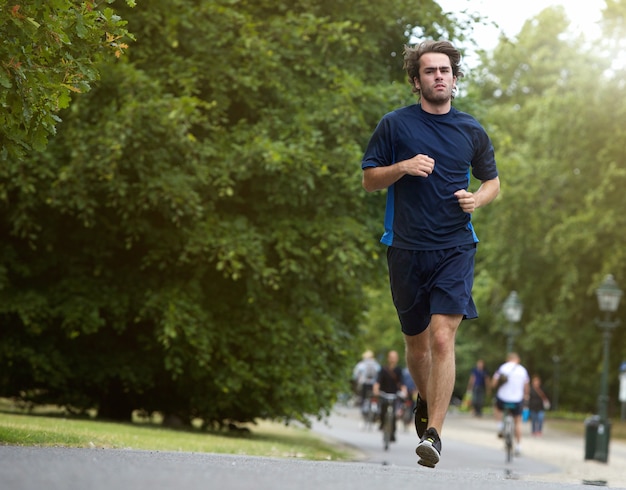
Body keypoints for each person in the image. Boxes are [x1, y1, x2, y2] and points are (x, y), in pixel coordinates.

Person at [361, 40, 500, 468]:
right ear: (416, 80)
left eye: (445, 70)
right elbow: (369, 179)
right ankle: (425, 398)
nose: (438, 76)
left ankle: (434, 435)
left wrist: (477, 200)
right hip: (405, 247)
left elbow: (493, 182)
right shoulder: (395, 125)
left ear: (455, 79)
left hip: (455, 246)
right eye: (429, 71)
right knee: (416, 346)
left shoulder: (471, 130)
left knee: (443, 337)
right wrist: (402, 167)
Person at [492, 352, 530, 455]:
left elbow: (494, 383)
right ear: (518, 360)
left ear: (508, 359)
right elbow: (526, 386)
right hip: (517, 400)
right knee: (518, 422)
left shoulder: (502, 367)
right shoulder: (522, 370)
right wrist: (526, 395)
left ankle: (500, 426)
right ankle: (518, 446)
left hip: (503, 398)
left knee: (496, 407)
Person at [372, 350, 407, 442]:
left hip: (394, 395)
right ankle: (382, 425)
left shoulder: (399, 370)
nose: (393, 359)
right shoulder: (383, 369)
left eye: (394, 357)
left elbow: (402, 383)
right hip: (384, 394)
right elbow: (378, 381)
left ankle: (392, 433)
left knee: (394, 415)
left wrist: (404, 391)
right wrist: (376, 390)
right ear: (388, 358)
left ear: (397, 359)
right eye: (391, 357)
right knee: (383, 411)